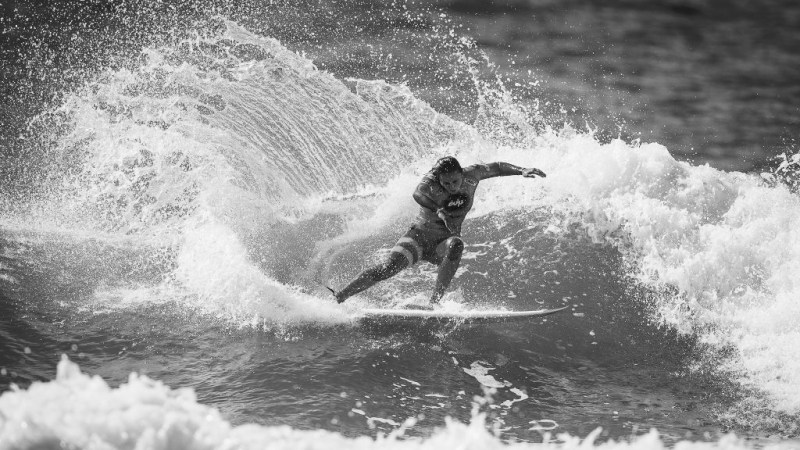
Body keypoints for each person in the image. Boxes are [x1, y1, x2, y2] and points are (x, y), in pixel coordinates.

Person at [328, 156, 546, 305]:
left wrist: (521, 170)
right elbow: (417, 194)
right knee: (386, 270)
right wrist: (439, 210)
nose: (451, 186)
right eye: (446, 183)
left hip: (442, 243)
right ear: (438, 179)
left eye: (455, 181)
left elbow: (496, 167)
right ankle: (341, 296)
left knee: (456, 245)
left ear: (462, 174)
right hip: (418, 238)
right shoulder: (430, 184)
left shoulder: (473, 174)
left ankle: (434, 303)